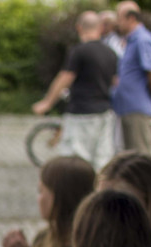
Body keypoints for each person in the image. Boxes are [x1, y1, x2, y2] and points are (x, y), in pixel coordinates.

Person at [31, 12, 118, 171]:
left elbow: (65, 78)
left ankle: (77, 194)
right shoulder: (111, 53)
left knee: (76, 161)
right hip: (105, 112)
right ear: (100, 28)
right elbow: (115, 81)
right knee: (102, 160)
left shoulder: (79, 51)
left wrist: (47, 102)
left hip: (81, 112)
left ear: (79, 28)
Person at [113, 1, 151, 153]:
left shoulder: (143, 40)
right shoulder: (131, 40)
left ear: (131, 18)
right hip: (128, 107)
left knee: (141, 156)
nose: (117, 22)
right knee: (131, 157)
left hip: (137, 107)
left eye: (119, 17)